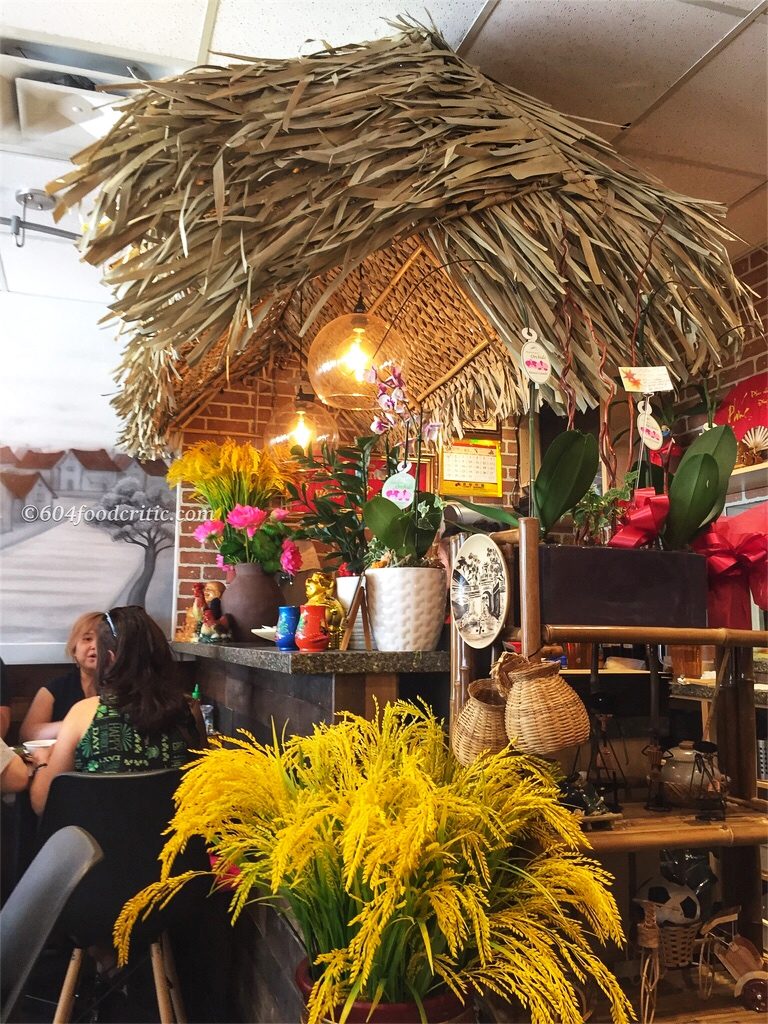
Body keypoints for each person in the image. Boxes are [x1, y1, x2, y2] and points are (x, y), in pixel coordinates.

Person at [31, 606, 206, 815]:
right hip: (173, 842)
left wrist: (42, 763)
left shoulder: (83, 713)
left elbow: (43, 803)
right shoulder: (188, 710)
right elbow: (202, 783)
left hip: (96, 844)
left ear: (111, 658)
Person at [19, 612, 102, 741]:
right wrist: (76, 726)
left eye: (103, 640)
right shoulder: (55, 688)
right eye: (87, 639)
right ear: (74, 649)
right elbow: (28, 735)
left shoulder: (125, 687)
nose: (95, 646)